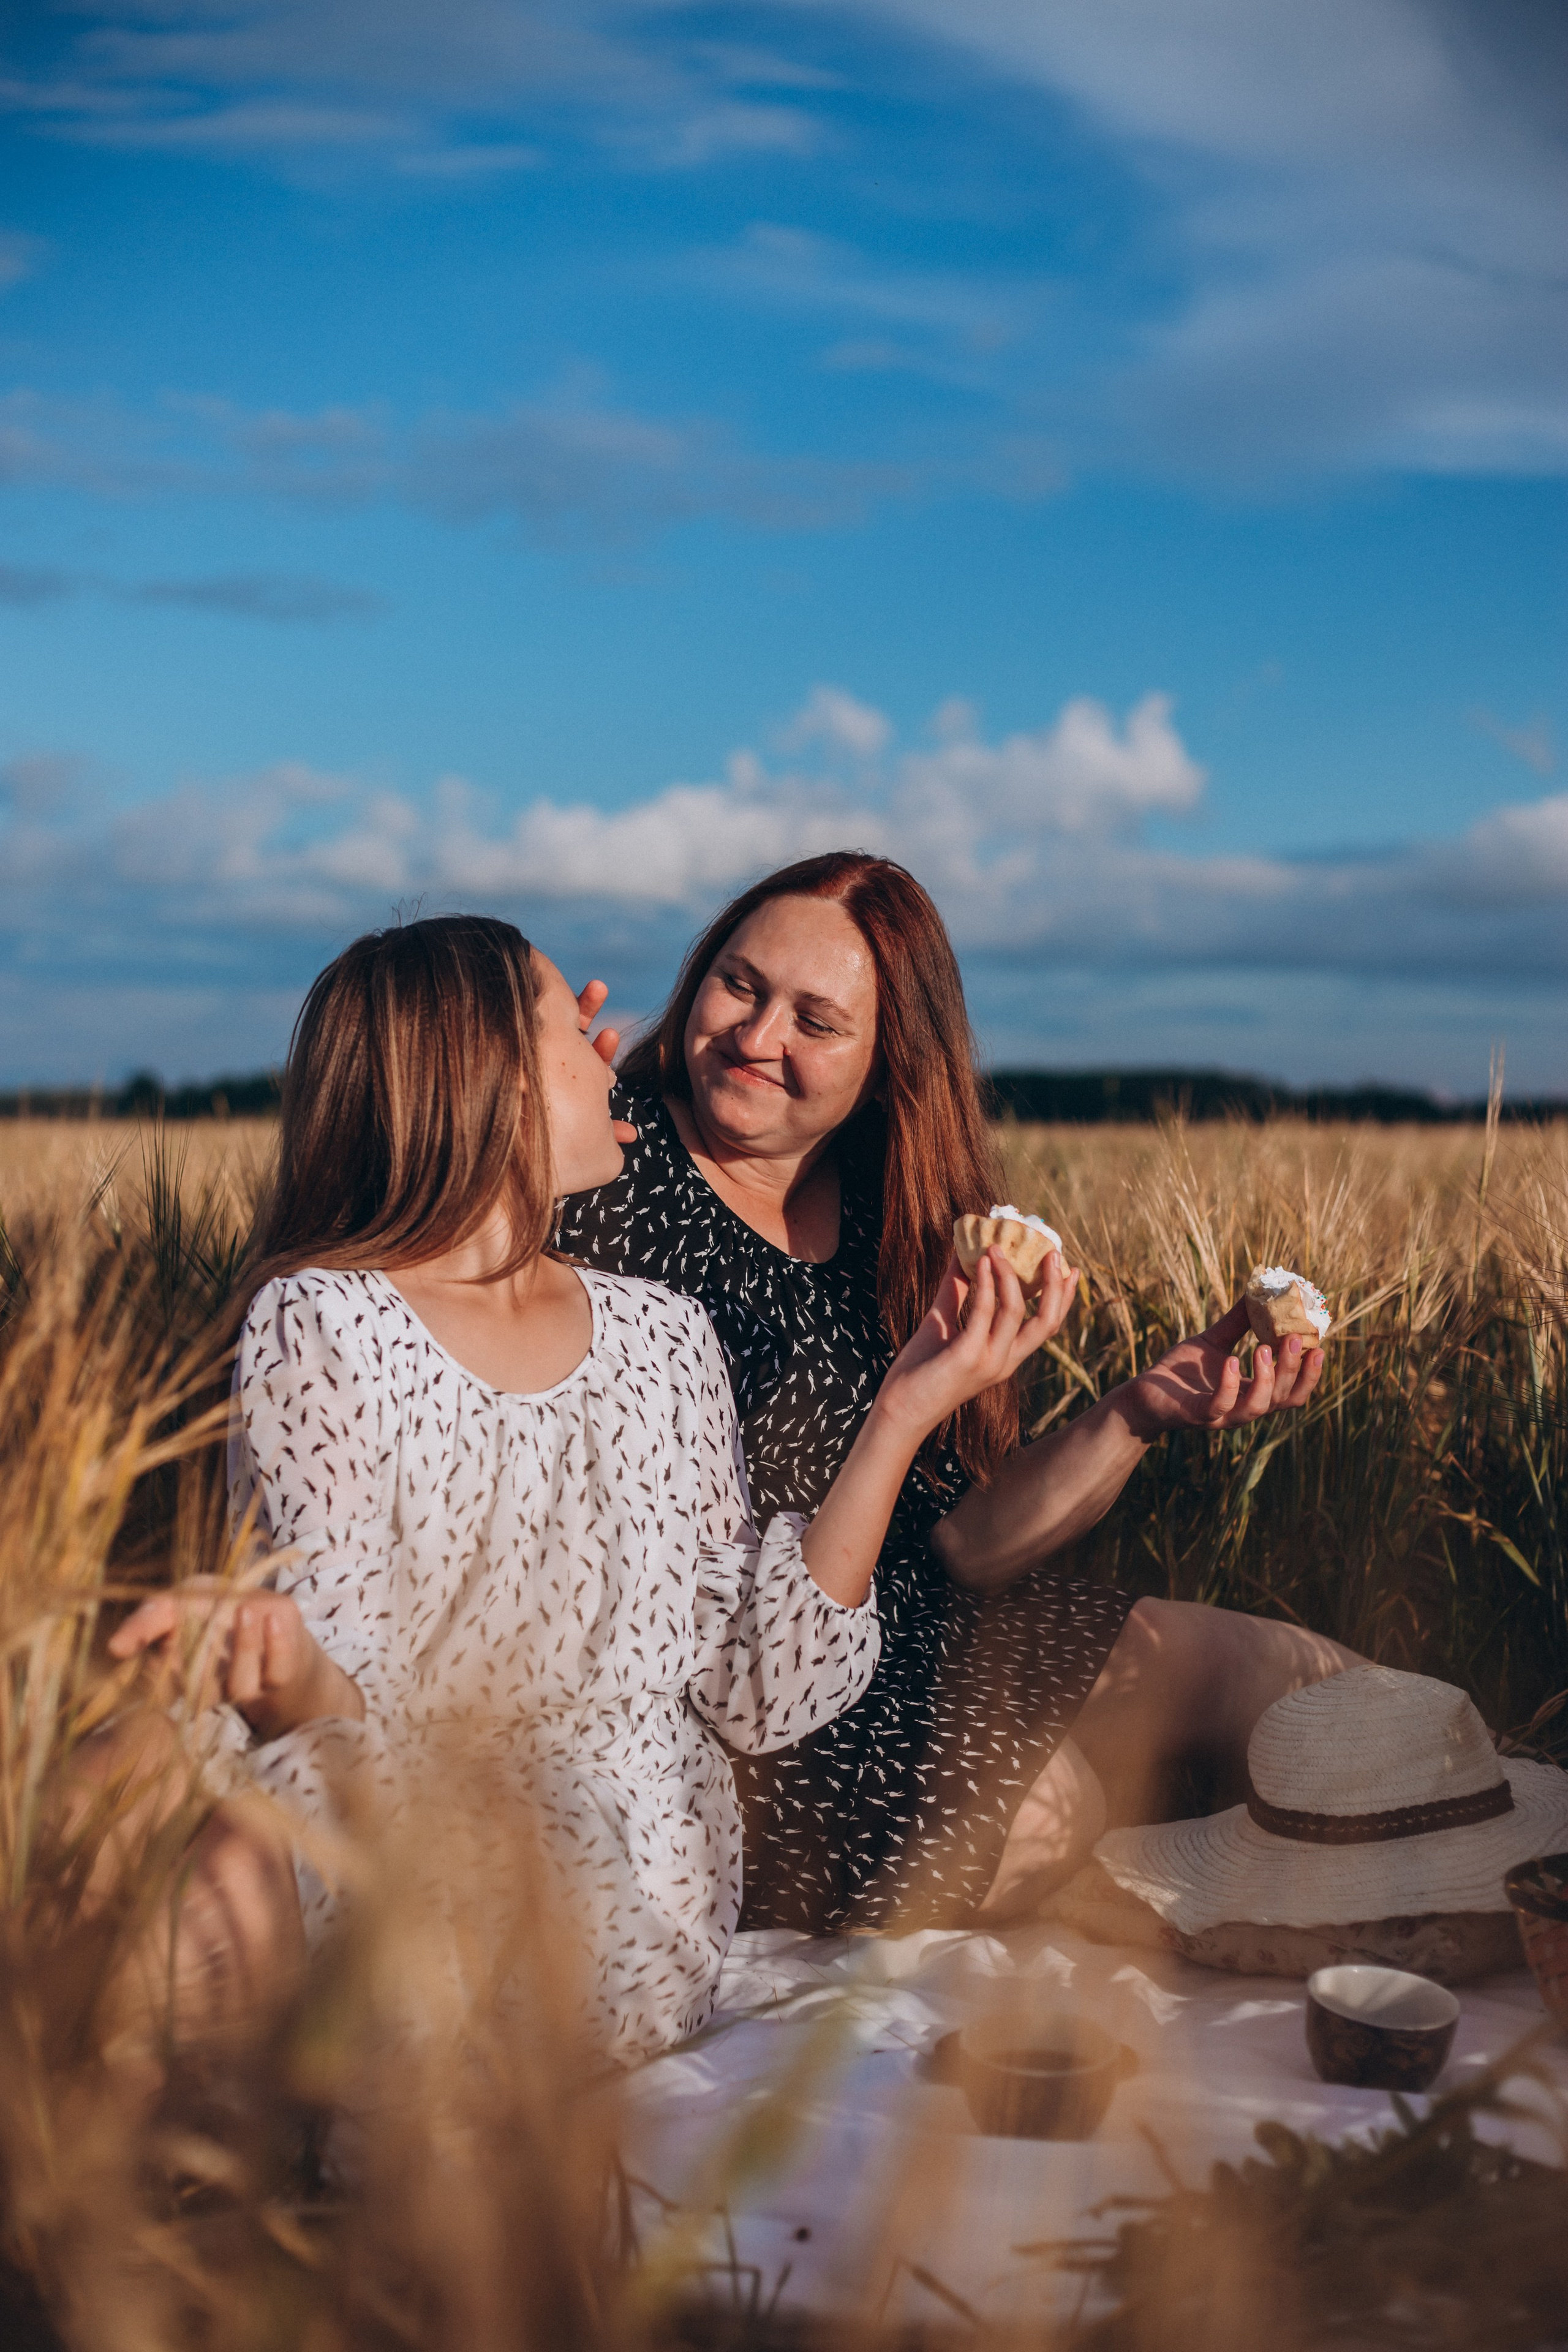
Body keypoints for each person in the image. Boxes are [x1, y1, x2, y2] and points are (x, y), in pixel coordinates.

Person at [107, 913, 1054, 2062]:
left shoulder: (664, 1340)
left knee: (256, 1836)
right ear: (485, 1081)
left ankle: (104, 2136)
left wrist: (904, 1407)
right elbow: (345, 1703)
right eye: (569, 1026)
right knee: (134, 1755)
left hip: (617, 1861)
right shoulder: (319, 1319)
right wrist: (267, 1656)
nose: (616, 1049)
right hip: (370, 1768)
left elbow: (756, 1692)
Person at [559, 852, 1354, 1934]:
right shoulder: (597, 1166)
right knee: (1056, 1804)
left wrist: (1140, 1409)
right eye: (740, 986)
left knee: (1300, 1675)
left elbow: (959, 1551)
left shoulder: (895, 1213)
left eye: (816, 1020)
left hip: (918, 1627)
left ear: (890, 1065)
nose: (757, 1038)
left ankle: (1504, 1845)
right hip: (740, 1700)